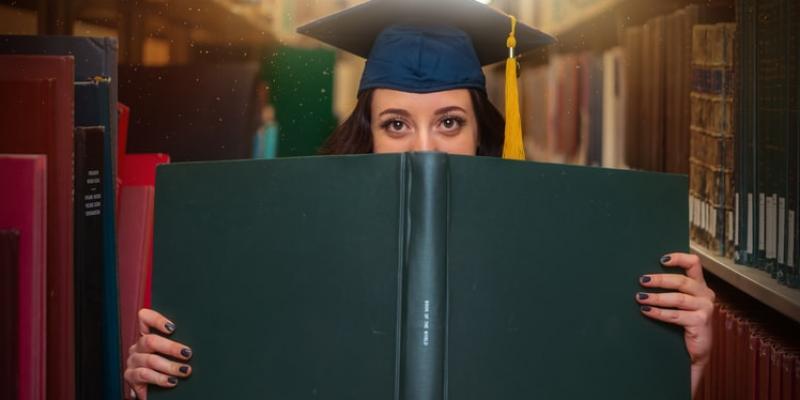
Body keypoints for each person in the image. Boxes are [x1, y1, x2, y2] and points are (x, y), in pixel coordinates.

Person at [124, 0, 715, 398]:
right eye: (398, 124)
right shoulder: (288, 247)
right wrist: (162, 382)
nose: (425, 148)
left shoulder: (553, 253)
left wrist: (676, 365)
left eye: (450, 122)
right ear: (368, 132)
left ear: (483, 131)